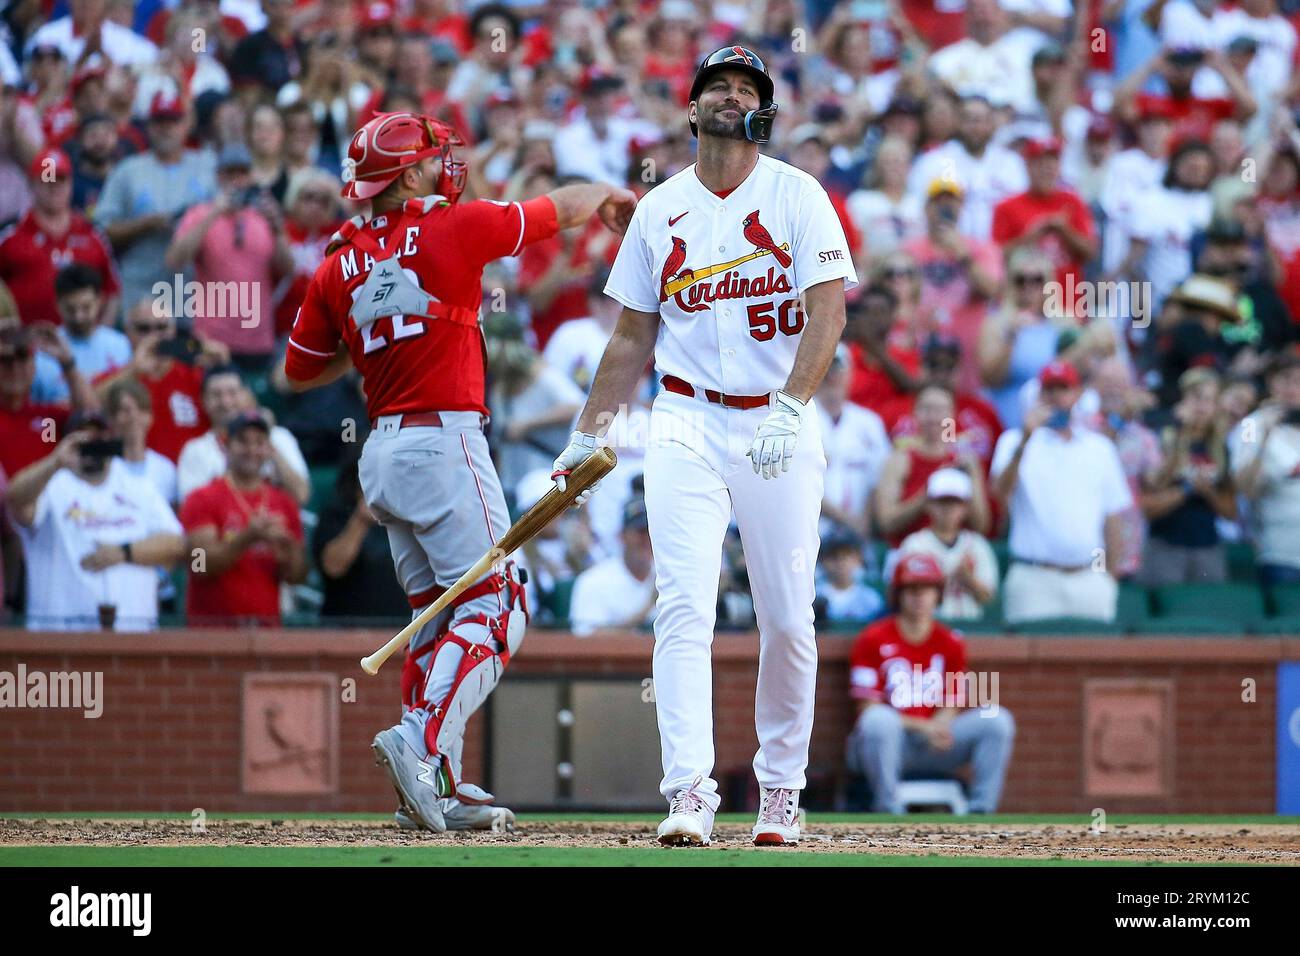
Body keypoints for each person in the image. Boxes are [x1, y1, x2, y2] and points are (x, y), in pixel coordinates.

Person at [283, 110, 635, 833]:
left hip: (382, 452)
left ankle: (435, 784)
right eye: (431, 157)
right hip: (445, 442)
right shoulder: (454, 225)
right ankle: (419, 743)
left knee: (434, 619)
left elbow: (298, 372)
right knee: (499, 604)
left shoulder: (335, 262)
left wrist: (376, 326)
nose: (446, 163)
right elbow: (556, 212)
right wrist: (603, 189)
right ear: (406, 175)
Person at [553, 47, 857, 848]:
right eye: (717, 87)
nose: (731, 97)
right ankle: (689, 790)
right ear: (691, 110)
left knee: (788, 617)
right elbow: (629, 337)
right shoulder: (660, 208)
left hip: (776, 418)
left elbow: (828, 312)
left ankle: (781, 793)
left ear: (764, 111)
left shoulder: (798, 194)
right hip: (683, 416)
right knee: (682, 605)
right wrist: (588, 435)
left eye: (746, 89)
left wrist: (793, 408)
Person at [846, 552, 1016, 814]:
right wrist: (924, 726)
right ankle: (887, 807)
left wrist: (938, 727)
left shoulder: (951, 641)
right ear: (898, 594)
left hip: (937, 742)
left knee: (997, 719)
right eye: (911, 589)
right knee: (878, 720)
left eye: (926, 588)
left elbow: (953, 701)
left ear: (938, 594)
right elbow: (867, 708)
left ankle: (981, 810)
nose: (919, 596)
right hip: (892, 742)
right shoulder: (873, 638)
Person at [6, 410, 183, 631]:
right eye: (82, 440)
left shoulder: (139, 487)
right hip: (59, 639)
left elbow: (177, 544)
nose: (92, 446)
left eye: (98, 439)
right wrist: (55, 462)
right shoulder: (52, 485)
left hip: (134, 636)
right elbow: (16, 501)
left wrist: (124, 553)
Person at [992, 360, 1134, 622]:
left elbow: (1113, 519)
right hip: (1034, 577)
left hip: (1089, 577)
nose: (1056, 397)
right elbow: (1000, 495)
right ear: (1039, 395)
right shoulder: (1014, 441)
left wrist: (1109, 579)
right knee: (1029, 663)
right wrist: (1025, 439)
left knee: (1095, 660)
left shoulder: (1099, 447)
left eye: (1063, 389)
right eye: (1049, 390)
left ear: (1077, 394)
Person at [165, 142, 293, 365]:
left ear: (251, 176)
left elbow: (288, 269)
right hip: (211, 339)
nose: (236, 179)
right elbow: (174, 260)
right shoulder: (199, 214)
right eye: (230, 173)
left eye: (242, 172)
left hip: (258, 340)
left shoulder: (264, 216)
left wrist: (278, 230)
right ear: (218, 176)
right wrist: (214, 212)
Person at [180, 411, 306, 626]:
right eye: (242, 441)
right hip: (212, 636)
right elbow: (200, 566)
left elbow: (297, 578)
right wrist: (247, 537)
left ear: (269, 449)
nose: (252, 450)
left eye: (259, 442)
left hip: (266, 633)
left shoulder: (283, 502)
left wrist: (288, 550)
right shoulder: (202, 497)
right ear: (225, 446)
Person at [93, 91, 216, 312]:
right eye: (160, 121)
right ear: (149, 126)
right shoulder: (128, 170)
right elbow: (101, 231)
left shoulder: (207, 166)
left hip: (193, 292)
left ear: (185, 125)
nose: (166, 128)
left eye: (173, 121)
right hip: (140, 287)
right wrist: (145, 224)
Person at [93, 301, 229, 462]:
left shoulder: (196, 375)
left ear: (173, 331)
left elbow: (240, 411)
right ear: (128, 333)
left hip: (190, 476)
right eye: (144, 328)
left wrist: (224, 368)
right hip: (136, 476)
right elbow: (90, 404)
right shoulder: (118, 376)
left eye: (162, 327)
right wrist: (134, 371)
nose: (154, 335)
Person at [0, 147, 120, 328]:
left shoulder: (92, 233)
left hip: (81, 344)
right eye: (47, 179)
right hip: (24, 348)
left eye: (60, 179)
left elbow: (112, 291)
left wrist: (99, 336)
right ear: (32, 184)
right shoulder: (10, 234)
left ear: (71, 183)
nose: (54, 186)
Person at [1140, 367, 1237, 584]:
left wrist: (1207, 491)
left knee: (1209, 614)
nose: (1202, 407)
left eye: (1209, 400)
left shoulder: (1221, 448)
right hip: (1165, 547)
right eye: (1196, 398)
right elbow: (1148, 506)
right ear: (1183, 400)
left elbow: (1231, 512)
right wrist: (1187, 489)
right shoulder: (1160, 439)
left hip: (1208, 548)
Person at [876, 382, 991, 548]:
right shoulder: (900, 459)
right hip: (909, 552)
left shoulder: (964, 461)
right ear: (914, 412)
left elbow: (982, 526)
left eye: (940, 410)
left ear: (952, 415)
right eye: (926, 409)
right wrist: (930, 493)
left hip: (954, 552)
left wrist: (970, 476)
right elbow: (886, 523)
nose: (933, 417)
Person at [176, 365, 308, 505]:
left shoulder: (279, 437)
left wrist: (266, 443)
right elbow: (192, 509)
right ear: (203, 401)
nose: (225, 402)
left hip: (277, 523)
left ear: (247, 395)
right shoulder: (195, 450)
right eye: (216, 394)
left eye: (232, 393)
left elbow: (301, 496)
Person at [1229, 348, 1300, 584]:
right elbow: (1245, 487)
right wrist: (1265, 440)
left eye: (1299, 381)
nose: (1293, 387)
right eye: (1286, 379)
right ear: (1271, 382)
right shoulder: (1252, 425)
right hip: (1281, 554)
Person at [314, 448, 408, 622]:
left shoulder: (412, 517)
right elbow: (332, 567)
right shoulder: (336, 515)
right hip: (346, 635)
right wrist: (360, 520)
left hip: (405, 632)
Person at [898, 468, 999, 621]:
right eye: (941, 502)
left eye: (954, 503)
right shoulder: (914, 544)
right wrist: (946, 577)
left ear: (965, 507)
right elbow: (903, 594)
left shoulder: (977, 544)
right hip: (929, 627)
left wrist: (968, 578)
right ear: (929, 505)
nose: (947, 509)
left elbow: (989, 598)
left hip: (972, 626)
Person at [817, 345, 891, 541]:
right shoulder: (800, 418)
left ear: (850, 374)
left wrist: (862, 522)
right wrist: (846, 520)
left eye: (837, 369)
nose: (831, 376)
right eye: (825, 369)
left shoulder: (869, 422)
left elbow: (878, 478)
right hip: (815, 531)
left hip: (860, 535)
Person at [569, 497, 656, 637]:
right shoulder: (593, 581)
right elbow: (587, 640)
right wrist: (645, 611)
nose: (647, 540)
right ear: (622, 536)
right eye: (640, 532)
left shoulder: (669, 577)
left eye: (651, 532)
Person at [103, 376, 178, 506]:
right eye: (125, 410)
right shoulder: (102, 466)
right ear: (111, 418)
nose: (133, 416)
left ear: (150, 418)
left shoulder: (165, 468)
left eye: (141, 409)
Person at [54, 263, 129, 381]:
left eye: (86, 307)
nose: (78, 317)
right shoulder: (45, 352)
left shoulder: (121, 345)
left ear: (100, 301)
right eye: (70, 309)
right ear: (58, 304)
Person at [815, 527, 884, 626]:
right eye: (834, 556)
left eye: (846, 556)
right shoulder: (814, 594)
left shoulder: (870, 598)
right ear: (822, 560)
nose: (840, 562)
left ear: (858, 558)